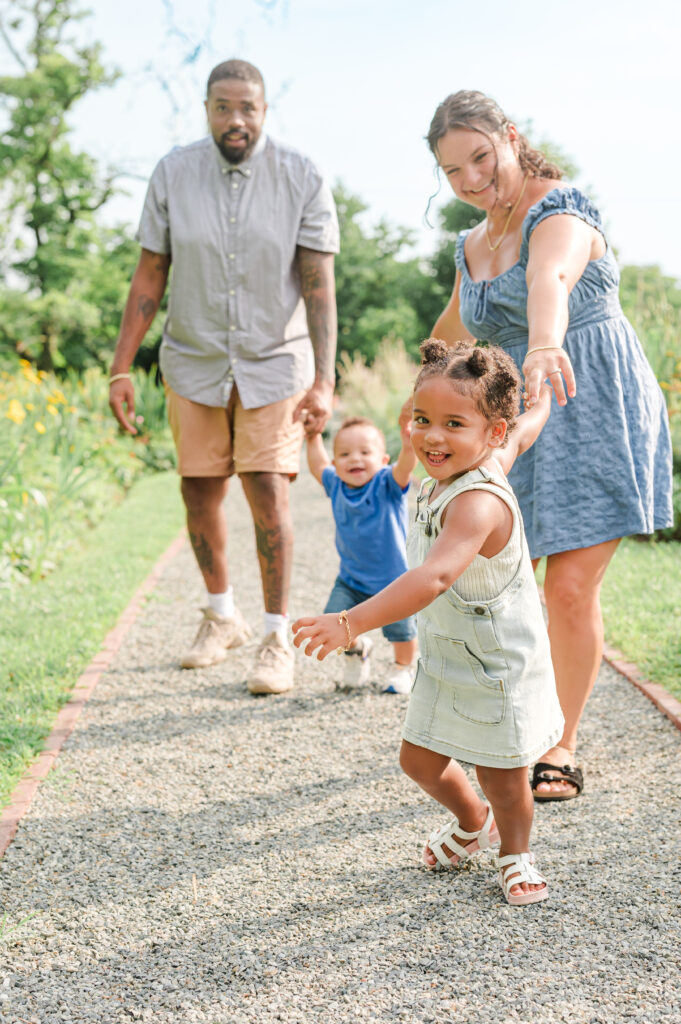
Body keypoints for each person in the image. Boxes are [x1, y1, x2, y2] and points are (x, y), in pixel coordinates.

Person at [424, 90, 673, 800]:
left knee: (566, 588)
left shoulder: (559, 210)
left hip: (585, 395)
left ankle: (560, 744)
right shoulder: (470, 245)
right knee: (499, 584)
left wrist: (539, 346)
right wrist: (415, 421)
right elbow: (452, 331)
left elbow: (549, 278)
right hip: (513, 418)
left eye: (480, 157)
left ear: (509, 137)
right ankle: (503, 724)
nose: (471, 179)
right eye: (452, 171)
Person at [294, 340, 564, 906]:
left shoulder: (477, 501)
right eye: (423, 419)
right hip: (446, 654)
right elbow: (523, 433)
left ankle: (516, 851)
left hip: (496, 662)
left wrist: (351, 622)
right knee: (417, 758)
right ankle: (472, 821)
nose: (432, 436)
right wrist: (536, 404)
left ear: (490, 432)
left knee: (503, 771)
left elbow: (433, 579)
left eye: (453, 423)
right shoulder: (451, 473)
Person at [108, 59, 339, 695]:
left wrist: (324, 379)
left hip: (275, 360)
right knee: (199, 492)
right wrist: (121, 366)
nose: (235, 119)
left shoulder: (302, 175)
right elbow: (150, 272)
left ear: (265, 110)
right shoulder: (173, 173)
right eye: (222, 106)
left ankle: (275, 636)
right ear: (207, 108)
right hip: (193, 358)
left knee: (268, 491)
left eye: (247, 107)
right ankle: (221, 615)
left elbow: (319, 286)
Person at [306, 415, 419, 693]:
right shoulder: (336, 485)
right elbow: (317, 466)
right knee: (334, 622)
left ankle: (402, 668)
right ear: (335, 464)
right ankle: (357, 651)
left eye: (365, 452)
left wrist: (409, 445)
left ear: (383, 460)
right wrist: (312, 437)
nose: (354, 459)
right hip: (351, 580)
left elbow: (405, 467)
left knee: (402, 632)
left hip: (394, 582)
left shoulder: (387, 483)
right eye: (344, 454)